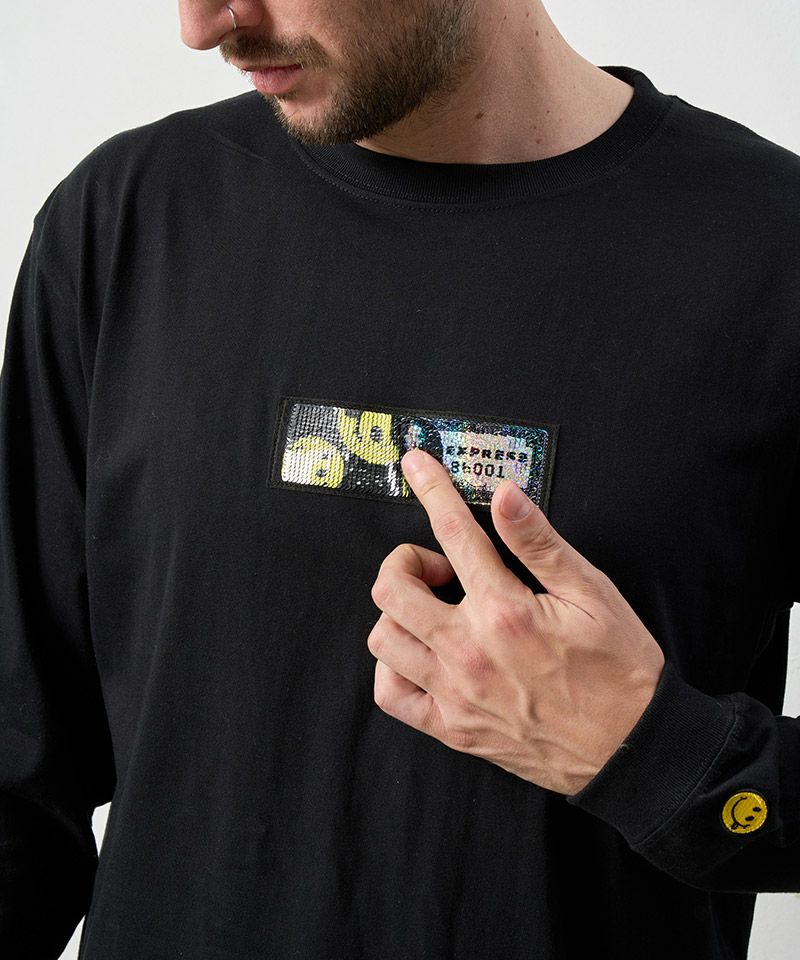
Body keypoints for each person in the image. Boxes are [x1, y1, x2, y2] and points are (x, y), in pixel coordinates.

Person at [1, 1, 798, 957]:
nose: (205, 25)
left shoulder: (771, 250)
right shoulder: (127, 218)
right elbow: (17, 768)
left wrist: (659, 758)